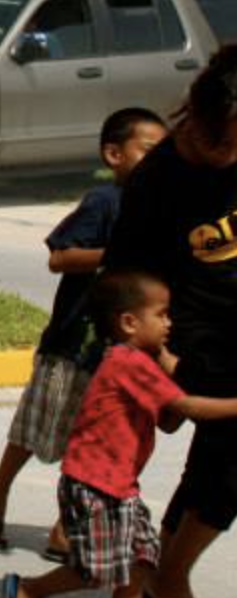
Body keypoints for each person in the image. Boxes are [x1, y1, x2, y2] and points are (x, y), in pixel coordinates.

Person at [0, 108, 170, 553]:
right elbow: (60, 257)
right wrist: (115, 253)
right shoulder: (104, 202)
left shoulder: (160, 207)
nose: (157, 161)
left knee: (96, 438)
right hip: (73, 343)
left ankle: (65, 526)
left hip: (121, 350)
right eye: (148, 150)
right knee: (38, 427)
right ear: (114, 154)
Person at [2, 271, 237, 598]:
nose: (170, 323)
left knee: (142, 559)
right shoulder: (128, 363)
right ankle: (27, 590)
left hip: (119, 486)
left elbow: (168, 421)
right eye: (161, 314)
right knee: (97, 570)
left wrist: (174, 367)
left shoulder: (140, 361)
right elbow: (186, 407)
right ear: (129, 322)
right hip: (94, 484)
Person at [104, 45, 237, 598]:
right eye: (225, 140)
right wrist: (161, 359)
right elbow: (123, 285)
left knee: (215, 468)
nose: (233, 151)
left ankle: (158, 571)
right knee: (228, 466)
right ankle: (168, 575)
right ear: (198, 117)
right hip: (195, 341)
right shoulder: (158, 181)